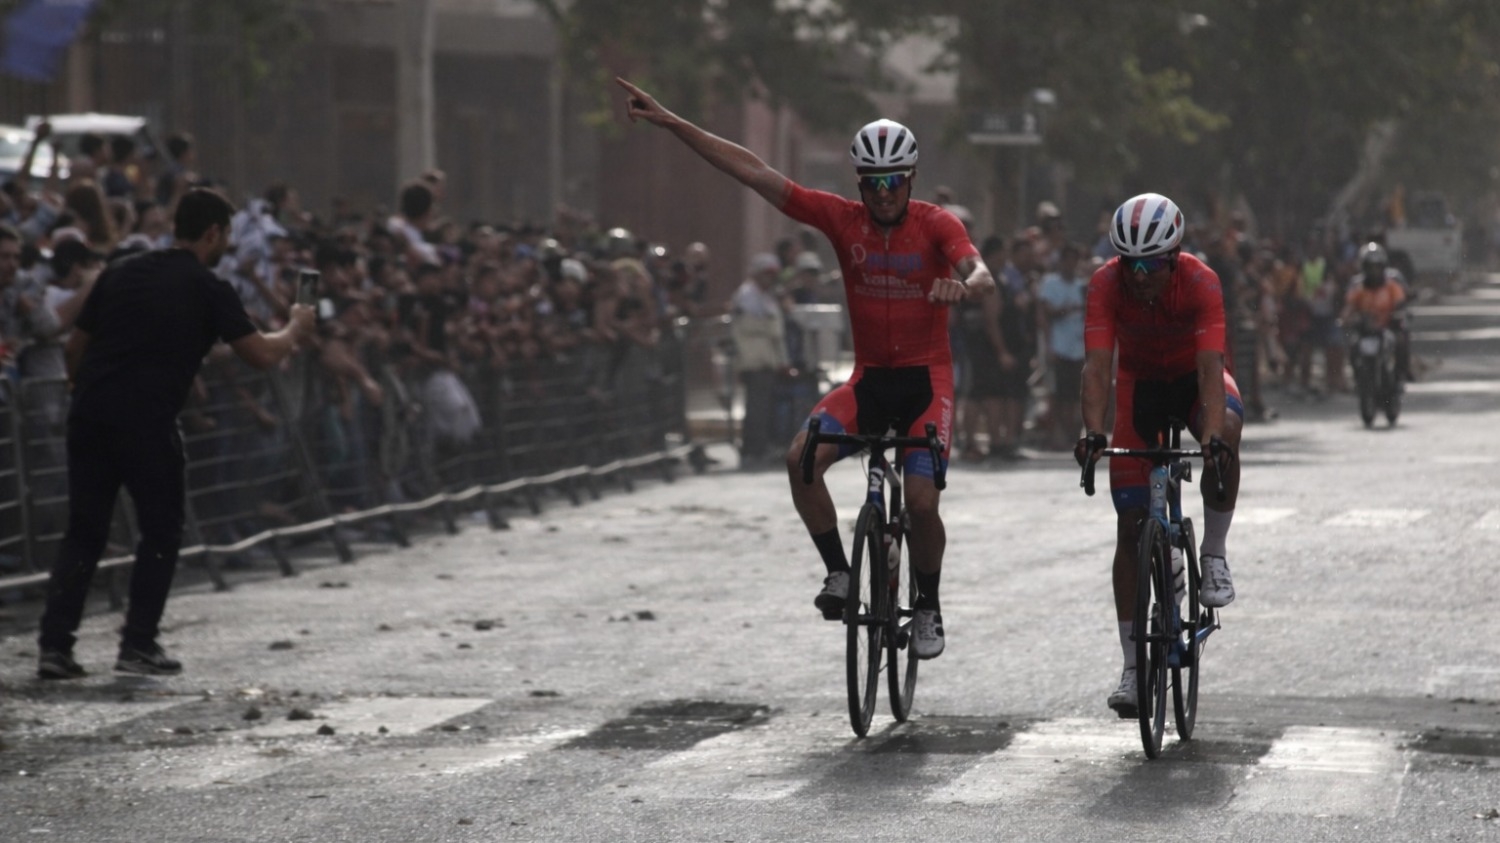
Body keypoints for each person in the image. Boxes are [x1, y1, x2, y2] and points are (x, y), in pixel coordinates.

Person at [617, 76, 995, 659]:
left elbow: (980, 271)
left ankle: (928, 605)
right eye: (874, 183)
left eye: (894, 182)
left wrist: (964, 288)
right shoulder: (843, 220)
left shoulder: (935, 223)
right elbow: (753, 172)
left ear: (911, 179)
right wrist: (672, 122)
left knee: (921, 502)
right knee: (800, 459)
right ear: (860, 183)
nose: (884, 193)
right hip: (869, 378)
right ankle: (840, 573)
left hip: (926, 379)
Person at [35, 188, 316, 680]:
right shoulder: (209, 288)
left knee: (84, 532)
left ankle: (55, 648)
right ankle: (138, 644)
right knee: (161, 531)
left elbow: (75, 349)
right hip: (147, 422)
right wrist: (296, 326)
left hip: (92, 415)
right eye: (225, 234)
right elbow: (264, 355)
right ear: (213, 234)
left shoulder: (120, 272)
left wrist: (88, 394)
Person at [1075, 192, 1241, 716]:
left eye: (1149, 264)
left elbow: (1212, 366)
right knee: (1129, 526)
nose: (1139, 274)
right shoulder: (1105, 285)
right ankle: (1131, 666)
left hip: (1195, 382)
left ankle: (1213, 552)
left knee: (1230, 431)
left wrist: (1212, 436)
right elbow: (1098, 366)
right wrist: (1092, 430)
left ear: (1172, 257)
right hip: (1140, 388)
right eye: (1130, 263)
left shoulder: (1200, 281)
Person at [1340, 242, 1409, 381]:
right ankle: (1358, 379)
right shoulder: (1358, 287)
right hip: (1366, 329)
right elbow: (1349, 307)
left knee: (1401, 341)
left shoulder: (1391, 286)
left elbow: (1400, 304)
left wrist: (1399, 315)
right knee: (1353, 346)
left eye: (1377, 267)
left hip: (1386, 327)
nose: (1374, 271)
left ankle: (1400, 374)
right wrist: (1345, 319)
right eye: (1370, 267)